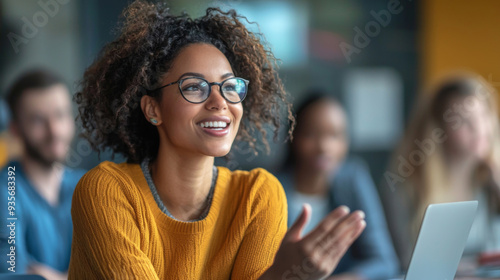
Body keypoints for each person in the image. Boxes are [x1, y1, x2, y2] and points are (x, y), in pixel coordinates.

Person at [68, 1, 366, 279]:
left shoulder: (258, 196)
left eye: (229, 86)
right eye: (195, 87)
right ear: (153, 109)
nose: (220, 101)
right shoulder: (106, 191)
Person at [383, 72, 500, 269]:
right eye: (462, 120)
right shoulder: (404, 191)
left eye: (483, 115)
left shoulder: (490, 183)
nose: (479, 128)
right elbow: (405, 264)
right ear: (437, 130)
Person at [277, 94, 399, 280]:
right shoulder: (271, 186)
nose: (324, 147)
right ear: (293, 137)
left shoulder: (353, 178)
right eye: (311, 134)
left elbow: (385, 262)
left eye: (335, 135)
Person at [0, 69, 86, 279]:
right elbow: (13, 274)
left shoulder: (88, 185)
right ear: (15, 129)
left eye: (60, 115)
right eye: (38, 120)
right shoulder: (6, 190)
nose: (54, 130)